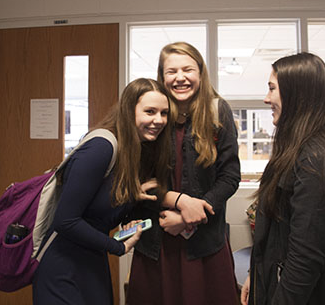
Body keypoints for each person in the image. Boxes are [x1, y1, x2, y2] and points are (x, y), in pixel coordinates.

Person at [33, 78, 172, 305]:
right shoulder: (102, 147)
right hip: (63, 268)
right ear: (129, 111)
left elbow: (97, 214)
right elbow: (65, 221)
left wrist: (129, 200)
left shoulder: (133, 153)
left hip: (92, 263)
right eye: (150, 111)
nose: (159, 120)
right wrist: (118, 246)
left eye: (164, 113)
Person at [127, 42, 241, 305]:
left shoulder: (217, 111)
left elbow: (230, 177)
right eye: (171, 71)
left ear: (200, 73)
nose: (180, 78)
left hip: (204, 242)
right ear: (162, 76)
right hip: (158, 239)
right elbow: (141, 182)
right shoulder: (155, 117)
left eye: (187, 69)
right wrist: (178, 204)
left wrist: (191, 217)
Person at [240, 52, 325, 305]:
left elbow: (304, 259)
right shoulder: (295, 150)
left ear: (297, 95)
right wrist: (257, 277)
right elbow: (276, 236)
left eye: (272, 89)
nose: (266, 98)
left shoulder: (317, 158)